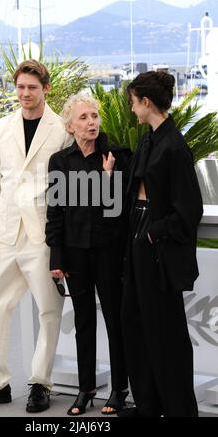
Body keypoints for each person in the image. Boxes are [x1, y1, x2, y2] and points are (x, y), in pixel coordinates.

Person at [0, 59, 71, 413]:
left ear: (45, 89)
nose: (25, 93)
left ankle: (40, 384)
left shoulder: (61, 129)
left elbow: (67, 186)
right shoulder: (2, 127)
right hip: (4, 234)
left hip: (43, 234)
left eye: (32, 87)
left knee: (49, 311)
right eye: (20, 87)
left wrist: (62, 240)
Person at [119, 71, 203, 417]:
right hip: (138, 238)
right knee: (135, 324)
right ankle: (148, 404)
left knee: (165, 333)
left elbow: (190, 209)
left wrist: (153, 233)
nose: (132, 109)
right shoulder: (148, 140)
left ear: (146, 102)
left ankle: (179, 409)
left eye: (133, 102)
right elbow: (136, 183)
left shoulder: (175, 146)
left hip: (156, 246)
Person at [45, 93, 132, 416]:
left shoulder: (116, 156)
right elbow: (55, 211)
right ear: (70, 126)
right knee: (83, 322)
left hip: (109, 252)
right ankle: (86, 389)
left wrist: (108, 178)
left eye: (94, 116)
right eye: (83, 118)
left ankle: (120, 389)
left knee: (114, 320)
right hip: (75, 253)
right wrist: (57, 257)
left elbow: (119, 211)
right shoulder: (60, 161)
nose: (91, 122)